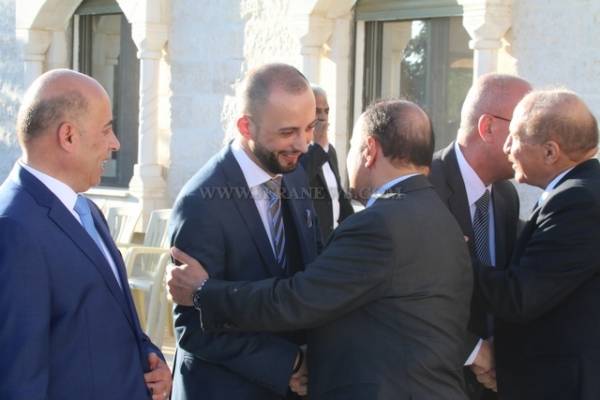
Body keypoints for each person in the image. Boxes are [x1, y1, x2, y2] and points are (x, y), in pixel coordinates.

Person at [167, 99, 473, 400]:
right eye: (289, 131)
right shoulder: (442, 217)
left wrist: (203, 292)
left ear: (369, 150)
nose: (304, 145)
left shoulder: (377, 224)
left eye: (350, 146)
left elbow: (298, 298)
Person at [0, 69, 171, 400]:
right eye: (106, 129)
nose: (115, 143)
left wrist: (149, 358)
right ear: (68, 136)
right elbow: (17, 377)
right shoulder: (13, 228)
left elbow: (104, 318)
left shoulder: (86, 210)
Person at [167, 63, 321, 400]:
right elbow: (192, 327)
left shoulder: (295, 173)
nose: (303, 144)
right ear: (245, 126)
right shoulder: (200, 203)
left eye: (310, 127)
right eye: (287, 132)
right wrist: (289, 365)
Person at [474, 89, 600, 399]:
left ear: (550, 152)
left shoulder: (578, 200)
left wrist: (453, 257)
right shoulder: (579, 190)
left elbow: (520, 297)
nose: (506, 147)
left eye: (515, 137)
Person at [428, 73, 532, 398]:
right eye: (526, 129)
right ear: (487, 128)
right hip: (431, 380)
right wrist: (473, 351)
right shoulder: (424, 188)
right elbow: (402, 293)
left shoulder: (506, 196)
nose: (534, 140)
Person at [299, 85, 353, 240]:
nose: (323, 117)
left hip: (334, 239)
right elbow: (298, 183)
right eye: (317, 111)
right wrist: (318, 145)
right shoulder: (296, 151)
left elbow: (337, 194)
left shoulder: (329, 150)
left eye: (326, 111)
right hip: (312, 241)